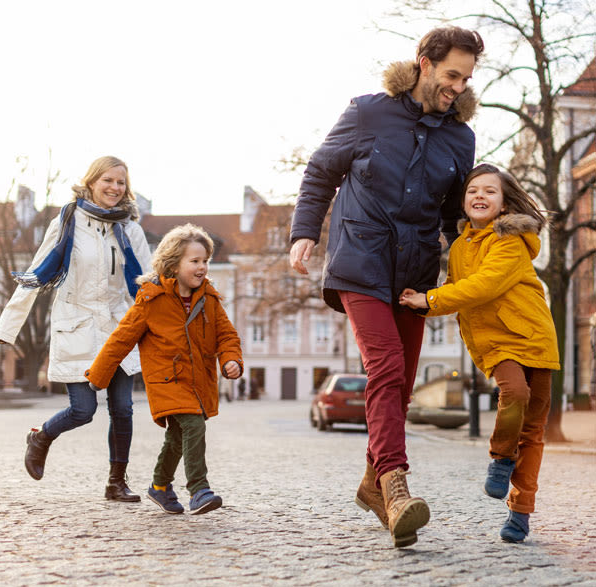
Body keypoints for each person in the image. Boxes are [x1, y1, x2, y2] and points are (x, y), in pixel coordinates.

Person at [289, 26, 484, 548]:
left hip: (415, 274)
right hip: (360, 261)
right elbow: (320, 172)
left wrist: (473, 264)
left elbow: (452, 214)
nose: (459, 87)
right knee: (386, 366)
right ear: (423, 63)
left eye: (467, 78)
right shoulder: (367, 112)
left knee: (399, 385)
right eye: (451, 75)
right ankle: (395, 486)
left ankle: (372, 485)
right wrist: (305, 232)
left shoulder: (460, 138)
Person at [400, 164, 559, 543]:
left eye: (490, 191)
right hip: (495, 340)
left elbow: (484, 285)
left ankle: (520, 513)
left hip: (534, 336)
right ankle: (501, 458)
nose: (480, 196)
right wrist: (426, 301)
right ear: (464, 201)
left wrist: (429, 299)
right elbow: (462, 288)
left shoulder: (511, 240)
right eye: (473, 191)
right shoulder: (459, 248)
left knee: (533, 432)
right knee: (514, 393)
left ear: (504, 205)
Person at [0, 155, 152, 502]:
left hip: (118, 326)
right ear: (92, 182)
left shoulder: (131, 229)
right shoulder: (67, 222)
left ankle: (116, 482)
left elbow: (149, 281)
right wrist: (8, 327)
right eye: (108, 180)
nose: (114, 188)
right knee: (83, 410)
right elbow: (36, 274)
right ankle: (41, 437)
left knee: (123, 409)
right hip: (78, 323)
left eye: (121, 182)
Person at [85, 224, 243, 514]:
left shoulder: (210, 299)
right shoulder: (150, 299)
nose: (202, 267)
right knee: (193, 425)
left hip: (198, 380)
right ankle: (199, 489)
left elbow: (227, 336)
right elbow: (121, 339)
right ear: (173, 263)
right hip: (166, 380)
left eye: (205, 261)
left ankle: (159, 486)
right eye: (194, 261)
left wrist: (231, 359)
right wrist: (97, 376)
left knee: (177, 436)